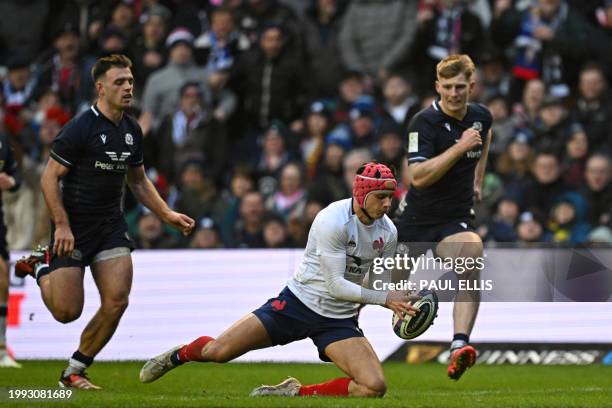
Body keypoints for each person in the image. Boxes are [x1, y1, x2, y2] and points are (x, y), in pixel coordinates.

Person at [140, 162, 421, 398]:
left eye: (390, 197)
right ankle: (179, 354)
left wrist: (396, 301)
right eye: (380, 197)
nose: (387, 204)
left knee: (374, 387)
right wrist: (386, 298)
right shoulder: (332, 221)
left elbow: (367, 280)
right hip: (297, 304)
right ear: (361, 194)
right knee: (218, 351)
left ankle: (295, 392)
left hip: (337, 320)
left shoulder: (389, 231)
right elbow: (336, 284)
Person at [14, 54, 195, 389]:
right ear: (100, 88)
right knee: (67, 313)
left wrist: (166, 213)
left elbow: (138, 181)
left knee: (117, 300)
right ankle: (41, 267)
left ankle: (74, 370)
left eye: (130, 81)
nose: (127, 88)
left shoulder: (131, 130)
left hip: (110, 227)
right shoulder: (80, 127)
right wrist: (62, 226)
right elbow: (48, 178)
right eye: (119, 82)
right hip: (73, 228)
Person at [395, 54, 493, 381]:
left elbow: (485, 135)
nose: (454, 93)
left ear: (471, 86)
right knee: (378, 288)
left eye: (460, 86)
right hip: (414, 222)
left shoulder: (481, 117)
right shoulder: (423, 123)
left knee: (472, 255)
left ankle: (459, 346)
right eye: (447, 86)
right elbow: (417, 177)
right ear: (437, 86)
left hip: (454, 219)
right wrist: (460, 147)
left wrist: (478, 179)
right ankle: (334, 337)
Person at [0, 132, 21, 368]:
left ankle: (1, 349)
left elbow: (16, 175)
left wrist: (11, 182)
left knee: (2, 274)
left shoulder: (3, 141)